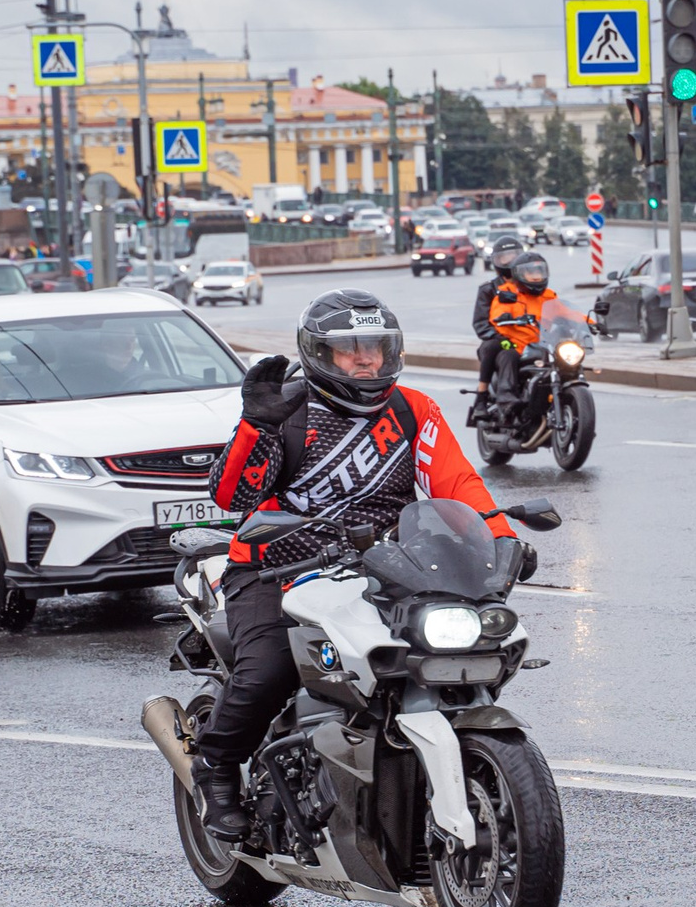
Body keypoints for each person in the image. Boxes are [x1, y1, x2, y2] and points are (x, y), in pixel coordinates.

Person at [193, 290, 524, 841]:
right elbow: (231, 495)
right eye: (351, 350)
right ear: (321, 354)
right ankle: (217, 768)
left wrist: (502, 542)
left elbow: (458, 484)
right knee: (269, 671)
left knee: (452, 650)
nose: (367, 359)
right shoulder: (288, 408)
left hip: (384, 567)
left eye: (376, 346)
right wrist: (257, 426)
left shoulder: (412, 408)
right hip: (277, 568)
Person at [469, 250, 554, 423]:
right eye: (504, 257)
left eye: (513, 256)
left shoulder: (544, 294)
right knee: (499, 350)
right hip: (503, 340)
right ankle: (485, 396)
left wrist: (590, 322)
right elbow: (486, 320)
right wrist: (501, 331)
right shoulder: (499, 291)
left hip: (535, 343)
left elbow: (563, 312)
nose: (508, 261)